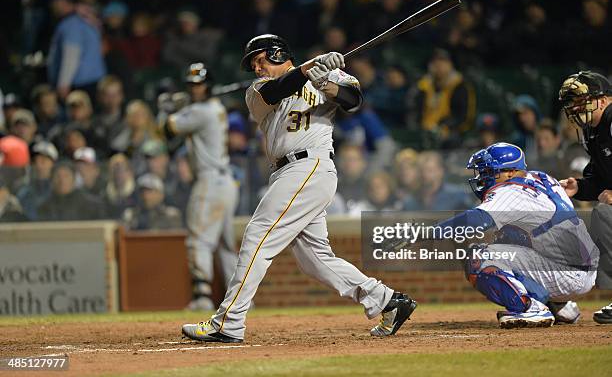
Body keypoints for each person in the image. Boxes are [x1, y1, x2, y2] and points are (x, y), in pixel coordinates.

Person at [181, 34, 416, 343]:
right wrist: (309, 70)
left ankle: (229, 322)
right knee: (314, 259)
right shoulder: (258, 91)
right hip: (287, 173)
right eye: (253, 63)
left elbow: (352, 100)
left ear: (279, 54)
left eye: (261, 59)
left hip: (309, 166)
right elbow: (282, 88)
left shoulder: (321, 75)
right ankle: (386, 300)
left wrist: (327, 83)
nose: (256, 67)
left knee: (257, 236)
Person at [436, 142, 599, 328]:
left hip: (567, 274)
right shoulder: (542, 177)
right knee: (509, 237)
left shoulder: (510, 189)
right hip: (582, 266)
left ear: (511, 172)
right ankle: (560, 307)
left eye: (489, 171)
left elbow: (476, 220)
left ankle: (530, 309)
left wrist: (425, 232)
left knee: (478, 257)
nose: (483, 177)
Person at [160, 63, 239, 311]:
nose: (195, 89)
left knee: (199, 241)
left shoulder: (201, 112)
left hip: (210, 182)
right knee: (226, 246)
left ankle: (202, 298)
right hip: (226, 182)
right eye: (192, 85)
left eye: (199, 85)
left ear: (209, 86)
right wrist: (184, 105)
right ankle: (241, 299)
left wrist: (167, 108)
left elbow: (165, 130)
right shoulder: (213, 108)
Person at [557, 71, 612, 325]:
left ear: (602, 100)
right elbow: (600, 182)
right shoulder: (593, 132)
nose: (576, 109)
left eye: (582, 101)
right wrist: (578, 187)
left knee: (604, 214)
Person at [47, 0, 106, 101]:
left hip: (80, 84)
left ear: (63, 1)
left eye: (55, 1)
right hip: (95, 79)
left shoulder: (71, 24)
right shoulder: (87, 19)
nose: (52, 5)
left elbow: (71, 55)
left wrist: (63, 84)